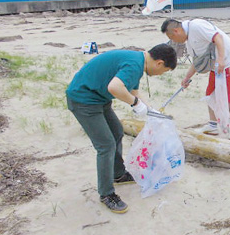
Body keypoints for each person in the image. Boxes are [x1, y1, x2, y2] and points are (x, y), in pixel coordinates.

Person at [66, 44, 177, 213]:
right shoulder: (135, 64)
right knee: (106, 145)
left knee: (117, 131)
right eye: (164, 71)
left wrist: (150, 109)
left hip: (99, 99)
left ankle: (118, 174)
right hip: (84, 100)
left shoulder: (139, 61)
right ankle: (106, 194)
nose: (161, 74)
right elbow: (115, 87)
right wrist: (135, 103)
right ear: (159, 63)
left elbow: (132, 90)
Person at [161, 18, 230, 140]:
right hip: (215, 66)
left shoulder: (196, 26)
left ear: (176, 31)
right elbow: (197, 62)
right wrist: (187, 78)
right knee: (210, 94)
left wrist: (221, 60)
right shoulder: (189, 41)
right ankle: (213, 125)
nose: (174, 41)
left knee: (229, 97)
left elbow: (218, 38)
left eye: (172, 37)